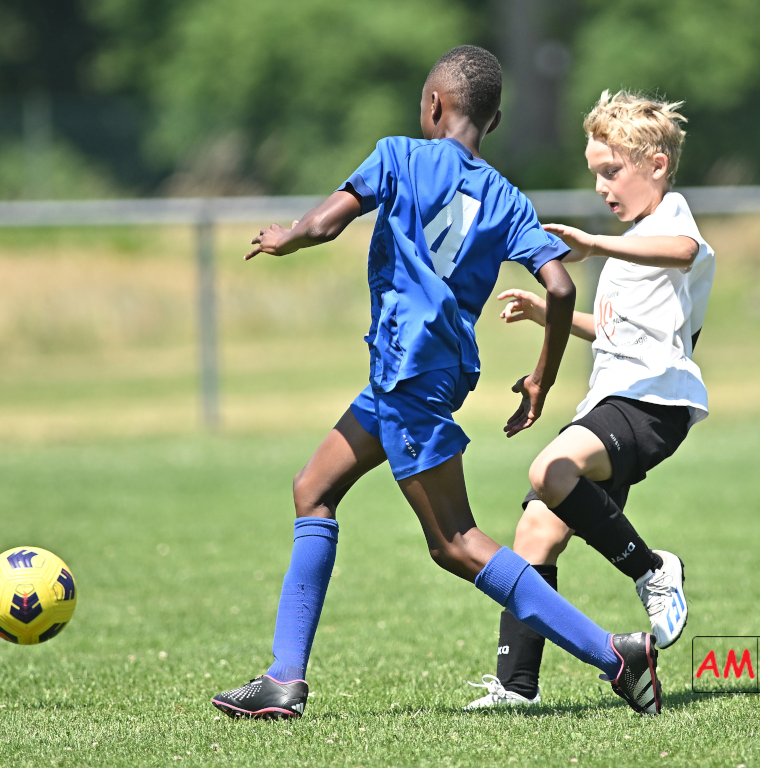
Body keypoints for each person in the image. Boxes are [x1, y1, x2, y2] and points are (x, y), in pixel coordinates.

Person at [210, 48, 662, 720]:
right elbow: (562, 286)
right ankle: (283, 679)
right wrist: (541, 380)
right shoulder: (508, 198)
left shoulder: (398, 155)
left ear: (433, 105)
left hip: (406, 371)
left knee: (456, 542)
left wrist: (287, 236)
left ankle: (615, 656)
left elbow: (326, 222)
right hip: (426, 373)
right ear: (495, 121)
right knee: (314, 489)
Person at [466, 90, 715, 709]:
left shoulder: (669, 217)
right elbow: (615, 332)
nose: (602, 187)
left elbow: (684, 251)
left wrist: (598, 244)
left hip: (652, 402)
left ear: (656, 165)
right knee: (535, 531)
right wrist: (543, 314)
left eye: (612, 171)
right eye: (595, 174)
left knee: (550, 469)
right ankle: (516, 687)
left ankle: (651, 570)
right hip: (612, 402)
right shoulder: (634, 244)